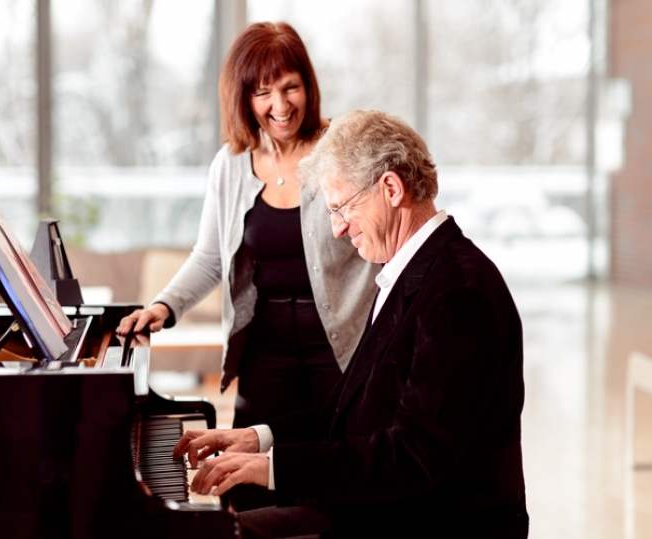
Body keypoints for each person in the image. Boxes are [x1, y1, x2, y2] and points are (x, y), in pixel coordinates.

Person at [172, 109, 529, 539]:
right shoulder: (406, 272)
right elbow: (348, 415)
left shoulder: (458, 291)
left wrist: (270, 469)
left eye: (342, 207)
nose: (337, 229)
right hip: (378, 511)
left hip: (427, 524)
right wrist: (257, 438)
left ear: (391, 188)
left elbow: (413, 456)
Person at [116, 22, 379, 430]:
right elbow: (209, 258)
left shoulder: (344, 149)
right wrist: (163, 307)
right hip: (265, 348)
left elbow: (385, 240)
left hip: (344, 344)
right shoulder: (231, 165)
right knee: (253, 474)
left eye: (291, 87)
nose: (281, 105)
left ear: (308, 85)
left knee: (339, 476)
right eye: (263, 92)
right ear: (244, 98)